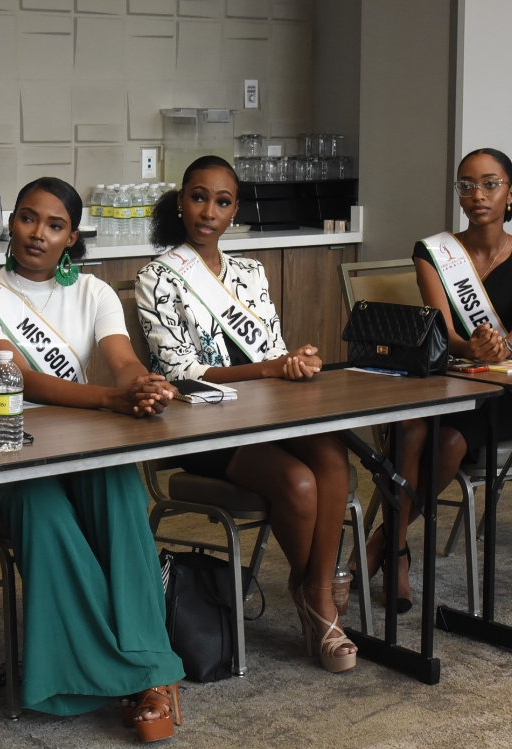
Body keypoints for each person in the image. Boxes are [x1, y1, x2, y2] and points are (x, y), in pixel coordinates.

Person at [0, 177, 186, 740]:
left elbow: (120, 358)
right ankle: (139, 675)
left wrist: (143, 384)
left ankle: (144, 663)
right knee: (44, 510)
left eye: (54, 225)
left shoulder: (95, 292)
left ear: (71, 237)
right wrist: (112, 397)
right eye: (28, 219)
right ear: (11, 223)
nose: (38, 234)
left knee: (120, 484)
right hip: (7, 450)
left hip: (80, 440)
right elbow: (20, 376)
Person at [136, 155, 358, 673]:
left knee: (332, 455)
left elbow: (273, 351)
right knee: (299, 483)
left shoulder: (251, 273)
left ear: (234, 211)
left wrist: (295, 363)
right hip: (200, 425)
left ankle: (312, 589)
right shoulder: (159, 277)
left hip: (267, 416)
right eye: (197, 196)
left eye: (222, 201)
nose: (207, 211)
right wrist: (269, 370)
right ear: (180, 200)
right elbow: (180, 371)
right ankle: (321, 603)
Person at [381, 148, 512, 606]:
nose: (478, 194)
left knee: (452, 442)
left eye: (490, 184)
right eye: (467, 185)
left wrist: (498, 348)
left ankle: (384, 542)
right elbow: (443, 330)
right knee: (410, 429)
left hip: (504, 391)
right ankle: (395, 550)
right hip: (446, 378)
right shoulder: (433, 252)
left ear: (510, 193)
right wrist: (469, 347)